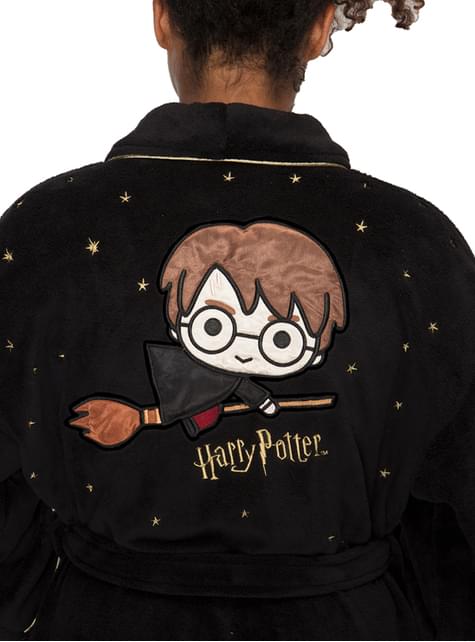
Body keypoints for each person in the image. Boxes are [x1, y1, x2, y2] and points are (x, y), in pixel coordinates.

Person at [0, 0, 474, 640]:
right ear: (319, 28)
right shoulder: (420, 246)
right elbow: (455, 508)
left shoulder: (39, 233)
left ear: (162, 18)